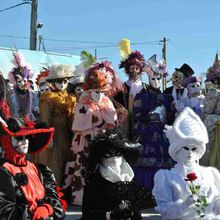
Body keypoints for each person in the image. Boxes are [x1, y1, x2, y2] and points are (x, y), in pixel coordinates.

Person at [63, 61, 118, 205]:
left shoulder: (107, 102)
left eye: (102, 92)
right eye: (96, 92)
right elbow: (80, 124)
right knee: (83, 167)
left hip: (101, 141)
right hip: (85, 141)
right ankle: (81, 198)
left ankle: (100, 197)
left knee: (101, 168)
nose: (100, 96)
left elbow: (112, 121)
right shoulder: (83, 103)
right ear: (89, 91)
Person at [153, 107, 220, 220]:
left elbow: (217, 202)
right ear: (177, 149)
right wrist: (185, 206)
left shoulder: (210, 174)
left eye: (194, 148)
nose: (190, 152)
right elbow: (165, 212)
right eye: (185, 148)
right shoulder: (166, 177)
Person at [0, 117, 65, 219]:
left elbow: (57, 205)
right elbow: (5, 212)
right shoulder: (4, 172)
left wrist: (47, 208)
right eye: (19, 138)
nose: (25, 141)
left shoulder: (41, 170)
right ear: (6, 141)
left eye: (27, 137)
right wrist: (33, 214)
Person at [81, 129, 154, 220]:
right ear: (101, 157)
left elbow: (136, 212)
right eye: (109, 155)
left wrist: (130, 212)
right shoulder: (94, 182)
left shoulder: (128, 178)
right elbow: (87, 214)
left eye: (117, 154)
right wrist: (109, 215)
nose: (114, 158)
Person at [132, 54, 173, 192]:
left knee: (165, 161)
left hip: (163, 132)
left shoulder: (167, 97)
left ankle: (163, 190)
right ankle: (146, 189)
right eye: (153, 78)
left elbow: (171, 115)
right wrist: (149, 115)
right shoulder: (142, 96)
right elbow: (136, 114)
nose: (155, 81)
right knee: (146, 161)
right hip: (147, 132)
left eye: (158, 78)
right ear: (148, 79)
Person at [36, 64, 77, 186]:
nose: (63, 84)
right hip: (54, 132)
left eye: (65, 81)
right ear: (53, 82)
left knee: (66, 160)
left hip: (67, 132)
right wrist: (48, 135)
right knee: (55, 161)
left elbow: (73, 117)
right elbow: (45, 117)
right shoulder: (48, 97)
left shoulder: (70, 97)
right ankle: (54, 190)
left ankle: (65, 190)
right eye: (59, 81)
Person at [7, 51, 39, 122]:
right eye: (19, 81)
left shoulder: (33, 94)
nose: (22, 83)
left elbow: (34, 108)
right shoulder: (11, 94)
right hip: (16, 120)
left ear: (27, 80)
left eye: (24, 81)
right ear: (15, 81)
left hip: (30, 120)